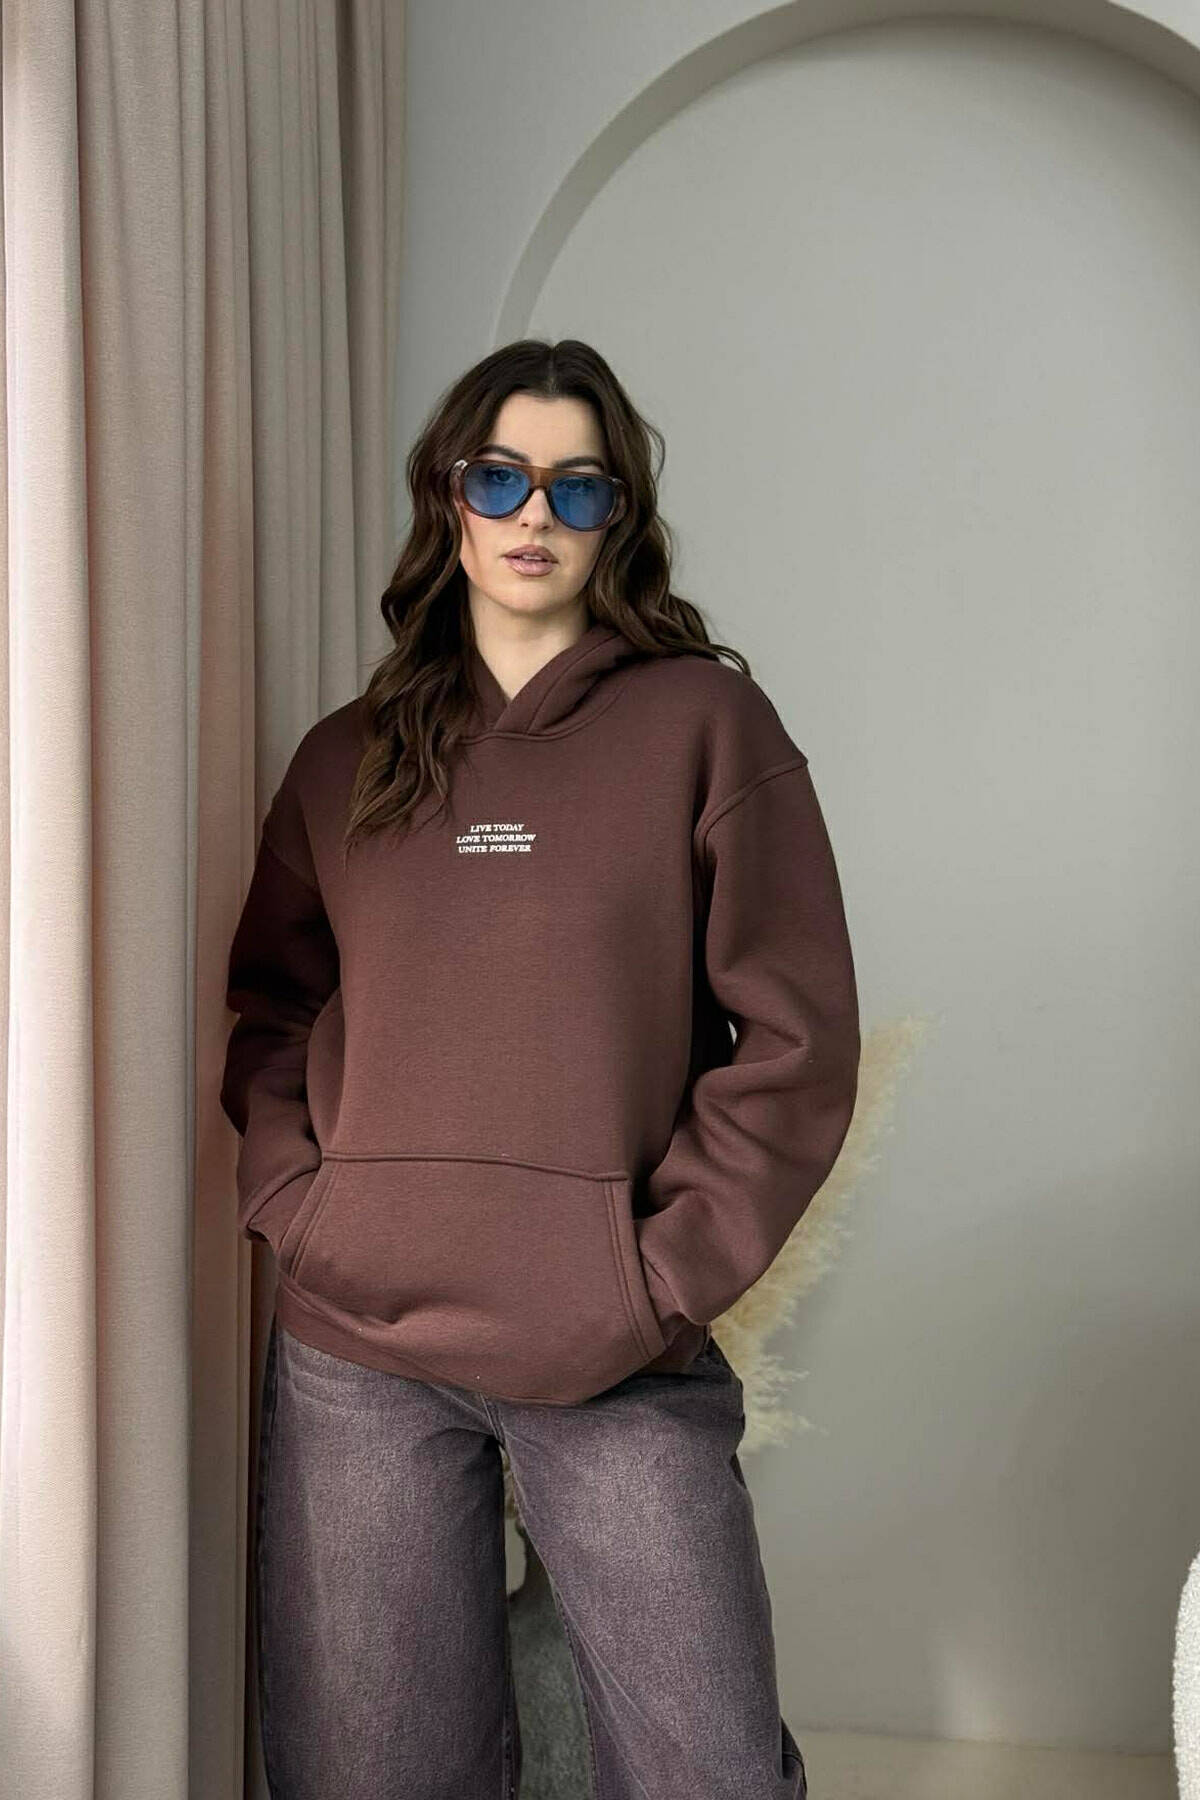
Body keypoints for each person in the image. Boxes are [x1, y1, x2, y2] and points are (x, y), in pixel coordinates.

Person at [220, 337, 860, 1800]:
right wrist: (305, 1212)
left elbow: (796, 1038)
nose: (534, 516)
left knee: (708, 1771)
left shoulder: (705, 727)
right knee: (370, 1776)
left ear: (616, 516)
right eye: (500, 476)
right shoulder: (343, 760)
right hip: (360, 1351)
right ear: (446, 497)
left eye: (577, 488)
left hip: (618, 1349)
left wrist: (658, 1278)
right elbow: (271, 1009)